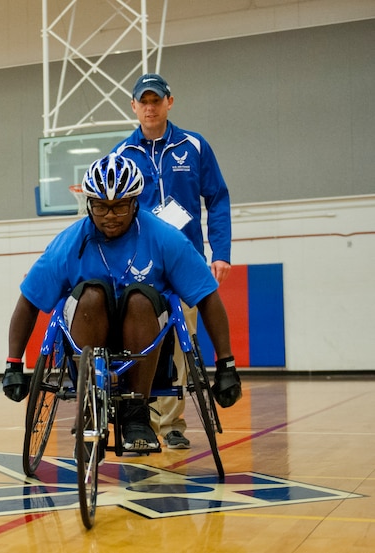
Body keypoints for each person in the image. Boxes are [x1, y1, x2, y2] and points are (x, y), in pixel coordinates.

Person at [2, 153, 241, 452]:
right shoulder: (68, 242)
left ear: (135, 203)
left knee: (140, 297)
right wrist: (13, 363)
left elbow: (206, 297)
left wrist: (226, 364)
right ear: (88, 204)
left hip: (147, 337)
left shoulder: (165, 238)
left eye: (119, 207)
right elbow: (29, 300)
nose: (110, 215)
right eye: (101, 207)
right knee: (91, 294)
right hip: (87, 333)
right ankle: (88, 410)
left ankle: (136, 415)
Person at [112, 73, 232, 449]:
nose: (150, 107)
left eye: (156, 100)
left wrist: (221, 252)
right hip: (141, 267)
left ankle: (172, 423)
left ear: (169, 102)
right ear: (133, 106)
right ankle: (140, 419)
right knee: (141, 341)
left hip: (186, 262)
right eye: (143, 101)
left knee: (182, 343)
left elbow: (218, 199)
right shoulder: (120, 154)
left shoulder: (194, 146)